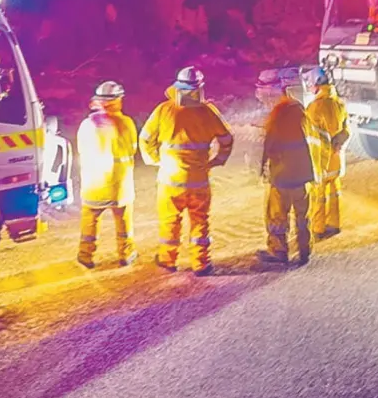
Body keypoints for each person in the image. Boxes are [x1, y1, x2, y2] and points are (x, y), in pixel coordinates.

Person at [139, 65, 234, 276]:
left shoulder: (164, 110)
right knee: (200, 222)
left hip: (170, 181)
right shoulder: (208, 112)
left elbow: (145, 139)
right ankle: (201, 263)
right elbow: (227, 139)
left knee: (170, 222)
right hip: (199, 181)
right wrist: (218, 159)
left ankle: (168, 259)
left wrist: (155, 160)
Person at [76, 81, 139, 268]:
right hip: (119, 184)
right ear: (118, 100)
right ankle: (126, 254)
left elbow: (81, 148)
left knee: (90, 219)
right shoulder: (125, 123)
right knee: (123, 220)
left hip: (94, 182)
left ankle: (85, 255)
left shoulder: (87, 124)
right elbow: (132, 148)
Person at [256, 67, 315, 266]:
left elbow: (270, 143)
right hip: (303, 174)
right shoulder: (299, 109)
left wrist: (263, 166)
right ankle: (304, 250)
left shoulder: (278, 113)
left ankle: (278, 250)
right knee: (302, 214)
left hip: (282, 175)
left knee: (277, 214)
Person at [303, 65, 349, 238]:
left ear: (316, 84)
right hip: (336, 159)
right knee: (334, 192)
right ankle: (334, 224)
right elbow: (346, 130)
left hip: (321, 161)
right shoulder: (339, 103)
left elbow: (310, 135)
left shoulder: (315, 107)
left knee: (318, 195)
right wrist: (338, 145)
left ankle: (318, 228)